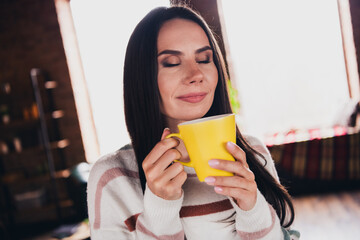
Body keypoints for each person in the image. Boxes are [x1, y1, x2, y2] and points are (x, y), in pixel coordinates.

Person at [87, 5, 300, 240]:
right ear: (142, 77)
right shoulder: (112, 178)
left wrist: (253, 211)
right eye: (171, 62)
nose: (195, 74)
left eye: (204, 59)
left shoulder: (253, 155)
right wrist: (160, 208)